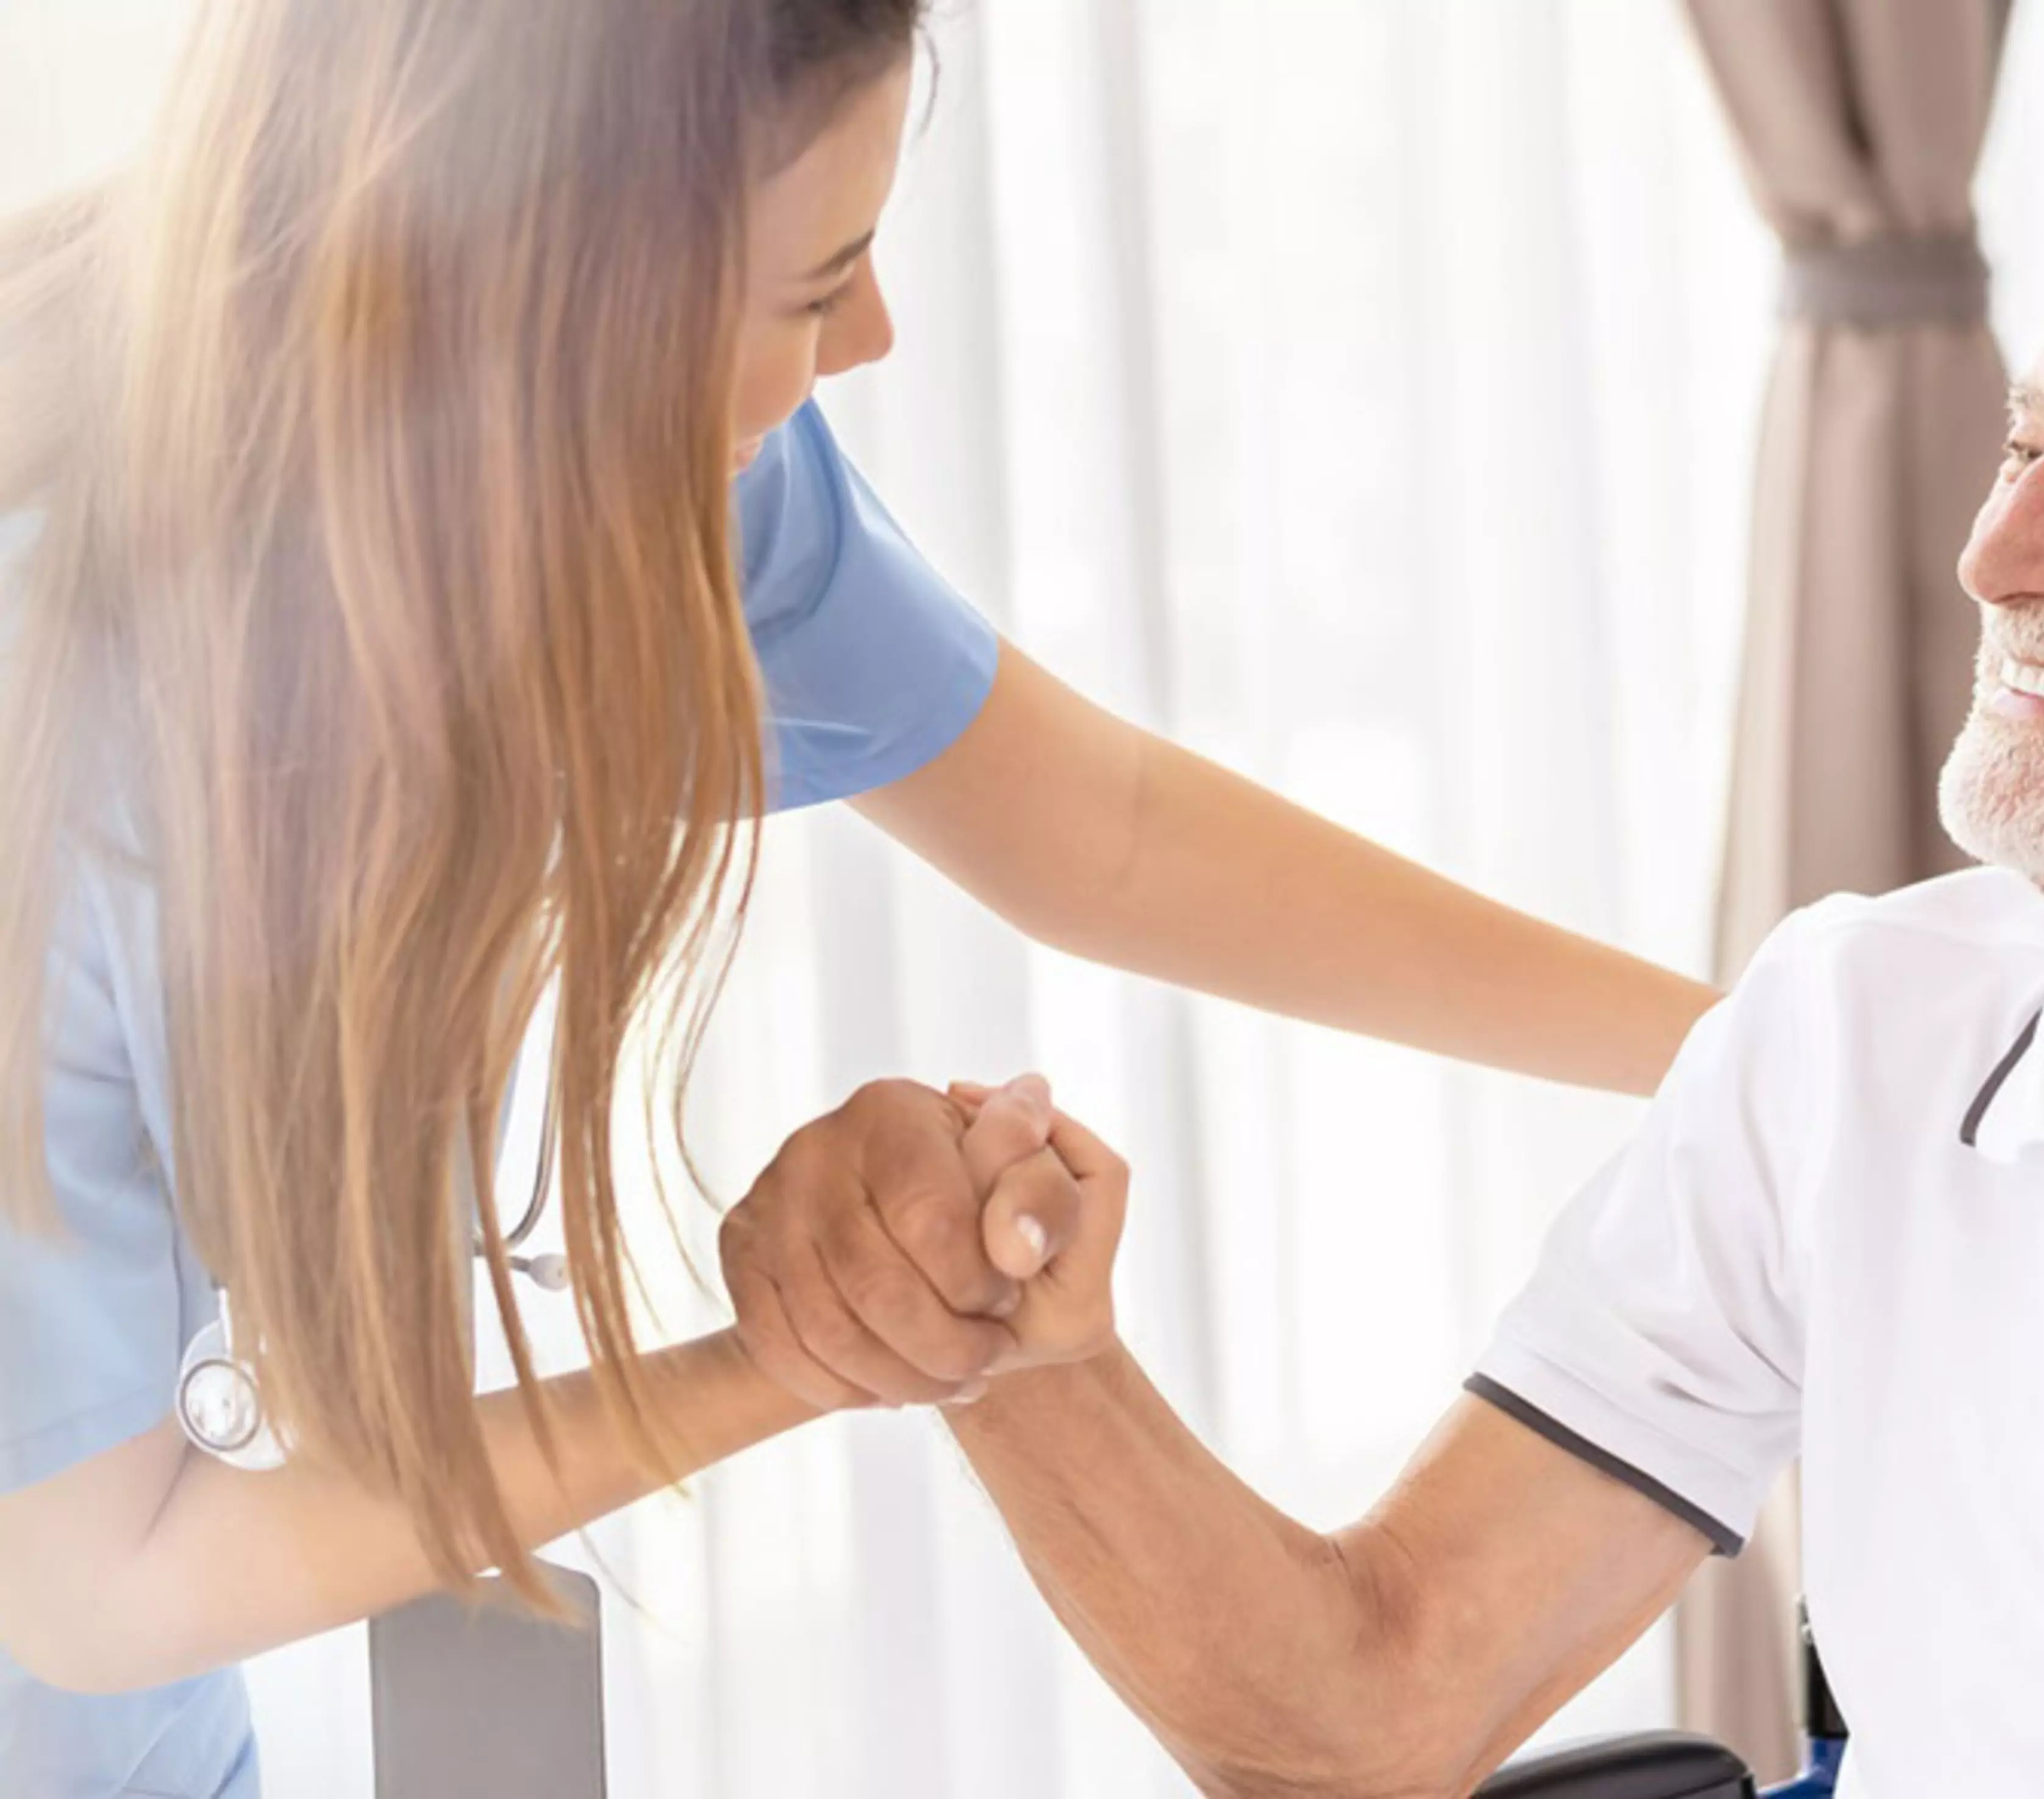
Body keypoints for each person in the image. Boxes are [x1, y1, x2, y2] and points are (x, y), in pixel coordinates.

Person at [0, 2, 1715, 1794]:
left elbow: (1103, 831)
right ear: (553, 292)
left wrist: (1766, 1038)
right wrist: (801, 1348)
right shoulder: (51, 680)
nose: (874, 337)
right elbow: (97, 1581)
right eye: (818, 285)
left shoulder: (654, 465)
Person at [756, 110, 2044, 1797]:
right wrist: (1014, 1344)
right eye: (2027, 447)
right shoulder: (1851, 1034)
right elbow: (1369, 1710)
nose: (1998, 552)